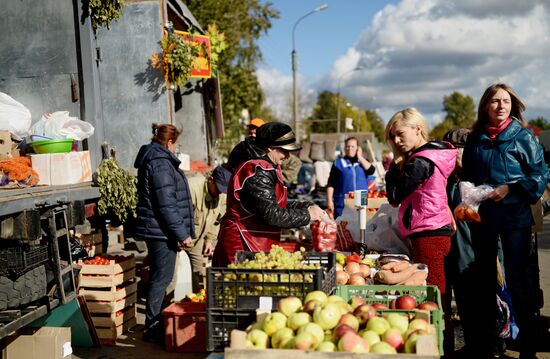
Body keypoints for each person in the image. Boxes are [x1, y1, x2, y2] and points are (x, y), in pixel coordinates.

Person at [461, 84, 548, 359]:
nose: (501, 106)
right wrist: (468, 193)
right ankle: (489, 342)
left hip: (515, 218)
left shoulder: (523, 136)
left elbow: (540, 174)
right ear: (485, 106)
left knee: (520, 281)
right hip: (483, 218)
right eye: (495, 101)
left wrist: (511, 188)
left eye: (506, 101)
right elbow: (467, 175)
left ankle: (528, 347)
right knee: (483, 280)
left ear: (513, 106)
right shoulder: (475, 139)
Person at [384, 108, 457, 353]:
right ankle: (439, 344)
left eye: (400, 134)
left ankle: (438, 347)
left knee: (433, 294)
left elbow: (394, 196)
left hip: (427, 231)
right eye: (392, 136)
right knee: (439, 291)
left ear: (417, 129)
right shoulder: (438, 153)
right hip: (437, 227)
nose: (396, 141)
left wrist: (393, 166)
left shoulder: (420, 162)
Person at [212, 122, 326, 266]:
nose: (287, 155)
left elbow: (274, 203)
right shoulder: (257, 171)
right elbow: (271, 214)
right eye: (284, 150)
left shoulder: (267, 166)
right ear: (270, 147)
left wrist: (306, 206)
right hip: (242, 244)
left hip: (255, 242)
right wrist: (307, 215)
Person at [133, 123, 195, 343]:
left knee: (161, 276)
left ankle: (154, 324)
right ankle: (152, 327)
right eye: (175, 143)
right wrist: (182, 233)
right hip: (160, 231)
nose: (176, 148)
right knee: (162, 278)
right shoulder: (160, 163)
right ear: (169, 142)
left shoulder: (157, 160)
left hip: (158, 229)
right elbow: (166, 204)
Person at [187, 164, 230, 291]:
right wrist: (181, 236)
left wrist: (209, 240)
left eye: (222, 190)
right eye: (218, 188)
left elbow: (217, 220)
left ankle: (197, 303)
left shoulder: (222, 196)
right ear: (210, 179)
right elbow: (177, 215)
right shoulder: (191, 188)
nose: (219, 192)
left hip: (197, 239)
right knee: (171, 277)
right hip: (178, 238)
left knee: (200, 275)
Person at [326, 137, 375, 218]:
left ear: (358, 148)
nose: (350, 149)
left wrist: (360, 157)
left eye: (352, 146)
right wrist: (329, 201)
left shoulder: (363, 162)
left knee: (362, 227)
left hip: (361, 202)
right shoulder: (337, 163)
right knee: (343, 228)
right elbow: (331, 183)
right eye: (347, 146)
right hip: (343, 203)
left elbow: (372, 170)